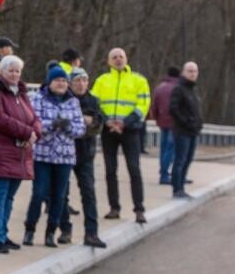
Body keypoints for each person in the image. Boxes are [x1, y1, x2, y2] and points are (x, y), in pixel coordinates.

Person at [0, 55, 40, 253]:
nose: (14, 74)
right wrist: (26, 132)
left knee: (9, 197)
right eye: (11, 70)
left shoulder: (21, 94)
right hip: (1, 151)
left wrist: (35, 132)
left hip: (20, 153)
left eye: (17, 71)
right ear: (2, 71)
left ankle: (3, 233)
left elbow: (34, 118)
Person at [22, 66, 84, 247]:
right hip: (42, 155)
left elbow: (80, 128)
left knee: (59, 196)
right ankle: (30, 229)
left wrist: (68, 127)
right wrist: (52, 125)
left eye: (64, 81)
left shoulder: (73, 102)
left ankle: (51, 231)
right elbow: (34, 124)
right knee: (39, 193)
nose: (61, 84)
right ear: (49, 83)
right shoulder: (38, 99)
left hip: (64, 157)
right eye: (58, 80)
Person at [92, 47, 151, 224]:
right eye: (114, 57)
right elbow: (94, 104)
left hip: (130, 130)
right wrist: (107, 121)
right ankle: (114, 208)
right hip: (108, 130)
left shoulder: (138, 80)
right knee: (110, 170)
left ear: (126, 59)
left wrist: (125, 123)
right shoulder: (102, 80)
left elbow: (144, 104)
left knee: (134, 169)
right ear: (109, 61)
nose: (118, 59)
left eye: (121, 57)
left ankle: (139, 209)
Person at [59, 69, 107, 248]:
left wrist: (90, 122)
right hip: (64, 152)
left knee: (89, 193)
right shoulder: (63, 99)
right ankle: (65, 229)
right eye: (77, 80)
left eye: (84, 80)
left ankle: (92, 233)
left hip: (86, 154)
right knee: (61, 193)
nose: (81, 84)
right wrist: (80, 121)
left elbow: (98, 125)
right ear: (71, 83)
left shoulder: (93, 101)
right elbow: (60, 123)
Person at [169, 61, 203, 198]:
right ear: (183, 72)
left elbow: (196, 110)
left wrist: (199, 123)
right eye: (189, 71)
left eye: (194, 71)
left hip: (193, 131)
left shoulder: (193, 90)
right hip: (182, 131)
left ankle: (181, 186)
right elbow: (173, 109)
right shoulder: (179, 89)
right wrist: (185, 122)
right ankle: (177, 189)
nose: (192, 73)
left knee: (188, 160)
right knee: (180, 160)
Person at [147, 65, 181, 185]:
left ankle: (164, 172)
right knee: (171, 149)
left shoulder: (159, 88)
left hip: (162, 122)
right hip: (175, 122)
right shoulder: (179, 88)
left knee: (164, 148)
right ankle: (165, 173)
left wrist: (157, 119)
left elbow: (154, 106)